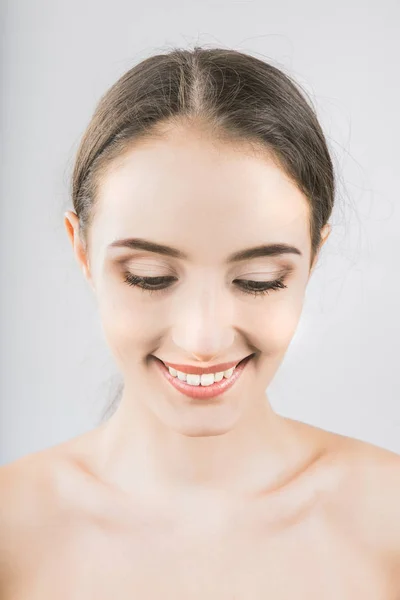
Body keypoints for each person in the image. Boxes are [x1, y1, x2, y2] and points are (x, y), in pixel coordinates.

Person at [0, 46, 399, 599]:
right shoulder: (11, 534)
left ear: (313, 259)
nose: (203, 338)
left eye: (259, 279)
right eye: (148, 276)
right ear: (82, 252)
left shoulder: (389, 520)